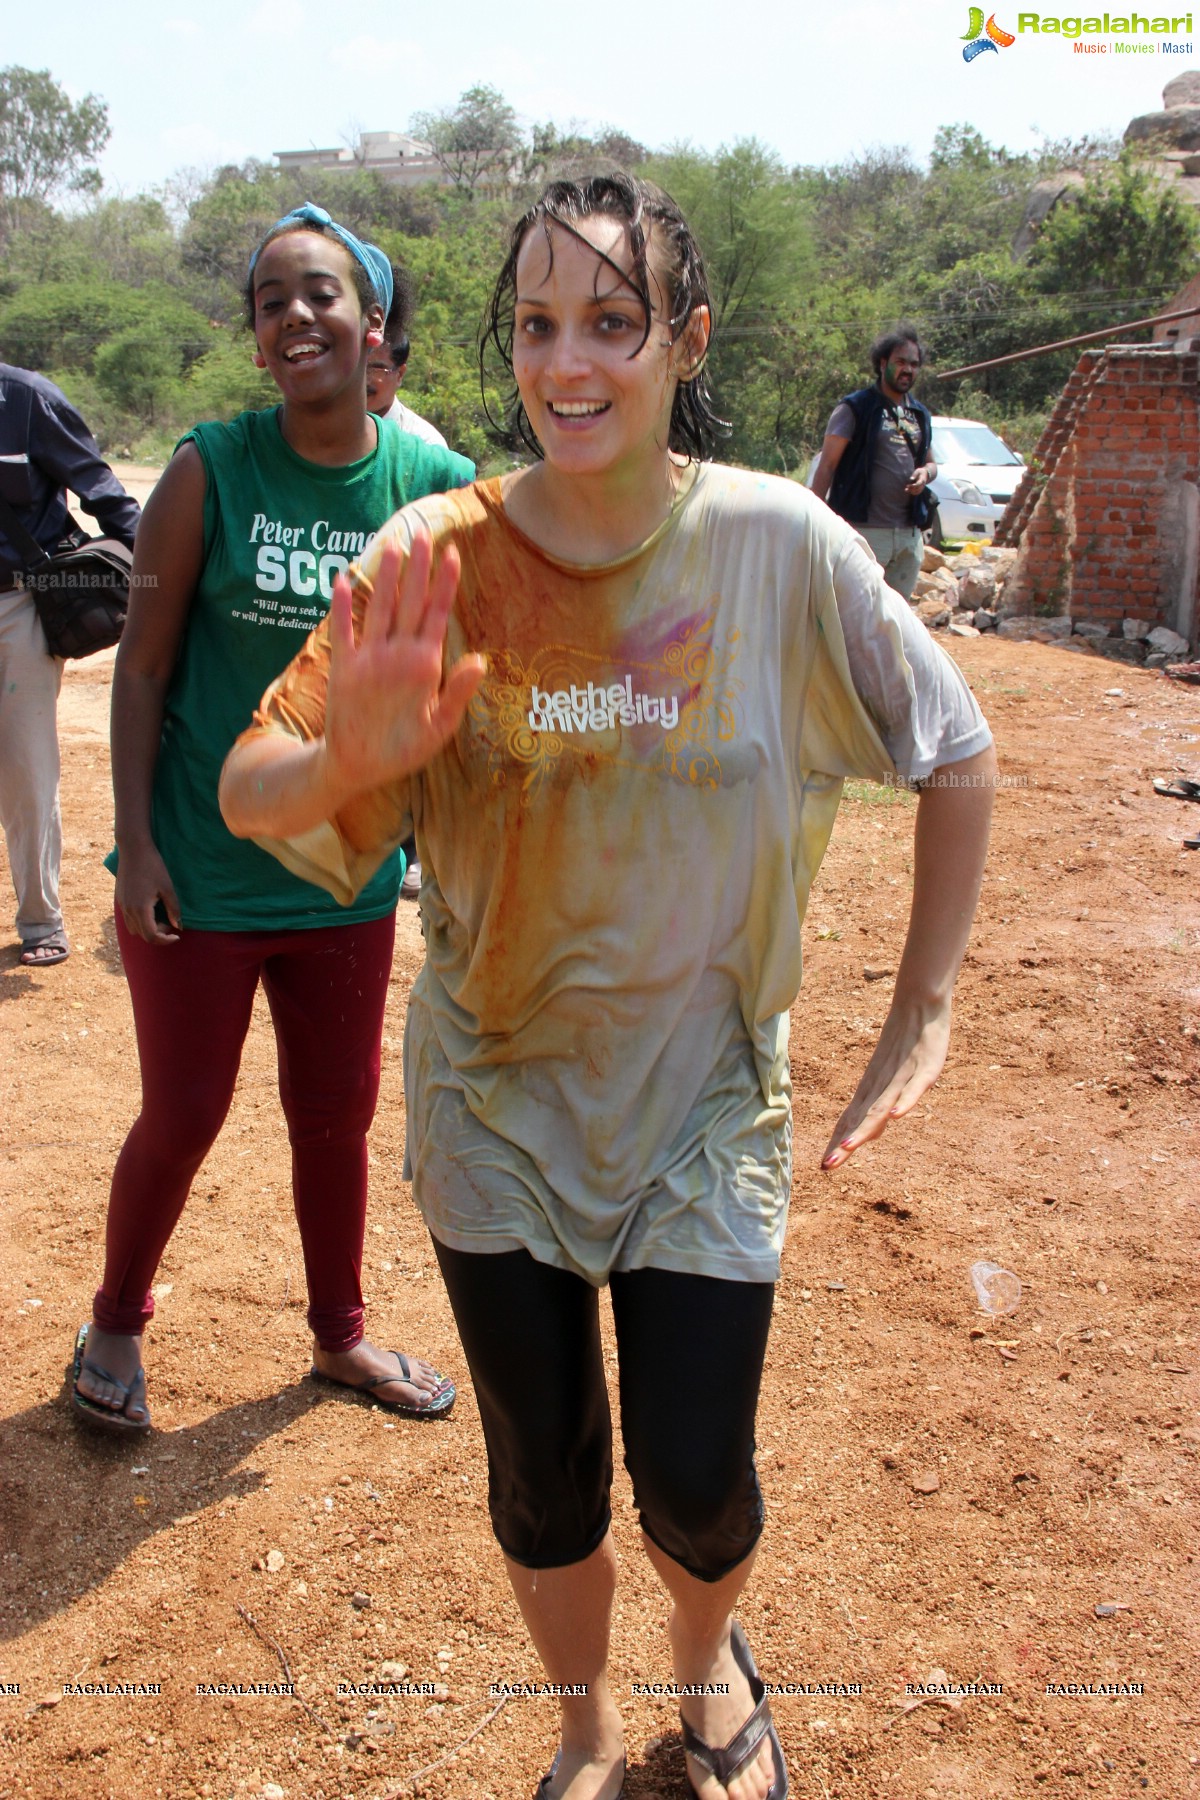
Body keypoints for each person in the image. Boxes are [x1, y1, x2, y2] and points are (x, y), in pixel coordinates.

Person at [220, 176, 996, 1800]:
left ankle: (711, 1682)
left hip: (709, 1110)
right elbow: (250, 785)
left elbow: (955, 744)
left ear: (682, 340)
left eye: (611, 323)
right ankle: (581, 1726)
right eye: (536, 326)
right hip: (495, 1110)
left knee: (696, 1485)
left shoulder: (780, 550)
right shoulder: (437, 552)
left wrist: (925, 1006)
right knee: (542, 1483)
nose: (568, 363)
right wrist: (348, 760)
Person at [70, 203, 475, 1438]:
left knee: (336, 1121)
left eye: (322, 296)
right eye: (271, 303)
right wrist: (135, 845)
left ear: (373, 326)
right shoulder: (209, 467)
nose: (297, 317)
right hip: (197, 870)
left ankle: (340, 1338)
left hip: (344, 883)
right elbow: (141, 666)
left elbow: (470, 678)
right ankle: (115, 1322)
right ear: (257, 342)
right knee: (184, 1112)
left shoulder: (433, 484)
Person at [0, 365, 141, 967]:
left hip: (17, 606)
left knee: (27, 769)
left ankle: (39, 919)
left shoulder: (27, 400)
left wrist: (165, 583)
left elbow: (107, 497)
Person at [364, 263, 450, 897]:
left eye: (381, 372)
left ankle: (414, 847)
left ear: (400, 369)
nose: (369, 382)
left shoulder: (424, 447)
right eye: (361, 368)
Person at [810, 326, 937, 602]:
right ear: (883, 363)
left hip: (908, 535)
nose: (908, 370)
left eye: (914, 364)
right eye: (901, 362)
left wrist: (925, 474)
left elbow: (931, 463)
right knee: (857, 614)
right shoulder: (856, 408)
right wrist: (810, 521)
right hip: (864, 532)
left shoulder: (919, 414)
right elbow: (827, 466)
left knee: (898, 619)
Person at [365, 263, 449, 449]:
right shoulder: (321, 434)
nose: (364, 380)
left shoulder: (425, 446)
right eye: (357, 368)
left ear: (400, 374)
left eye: (376, 369)